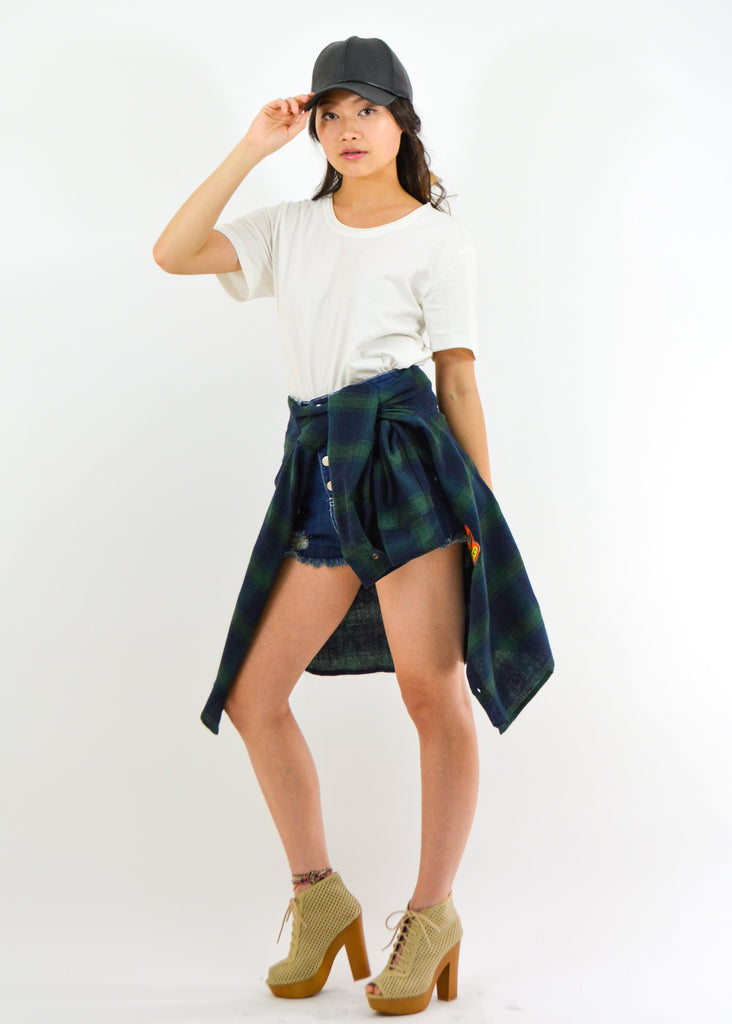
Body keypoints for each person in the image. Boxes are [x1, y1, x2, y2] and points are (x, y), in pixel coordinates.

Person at [153, 35, 554, 1016]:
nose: (347, 130)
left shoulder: (437, 239)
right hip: (319, 465)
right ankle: (319, 894)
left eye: (366, 111)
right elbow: (174, 252)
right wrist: (253, 145)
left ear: (401, 121)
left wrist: (480, 516)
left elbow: (458, 378)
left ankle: (432, 913)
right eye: (329, 115)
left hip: (408, 463)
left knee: (431, 694)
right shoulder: (291, 228)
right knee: (254, 694)